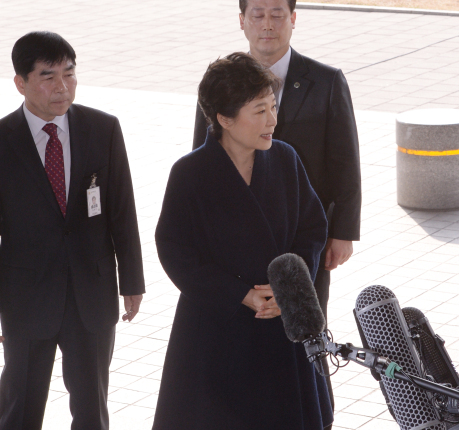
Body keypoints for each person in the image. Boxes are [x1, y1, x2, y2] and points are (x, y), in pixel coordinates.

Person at [0, 31, 145, 430]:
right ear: (21, 82)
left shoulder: (103, 129)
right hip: (26, 298)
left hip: (92, 292)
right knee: (20, 406)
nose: (62, 87)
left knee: (91, 409)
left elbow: (122, 212)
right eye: (48, 76)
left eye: (69, 73)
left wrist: (131, 280)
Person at [192, 0, 362, 410]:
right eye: (257, 15)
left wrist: (342, 232)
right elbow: (202, 155)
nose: (267, 25)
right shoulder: (221, 83)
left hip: (303, 243)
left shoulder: (325, 80)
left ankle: (315, 412)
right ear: (242, 21)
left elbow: (345, 160)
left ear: (293, 19)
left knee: (307, 336)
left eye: (277, 15)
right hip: (236, 246)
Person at [153, 52, 332, 430]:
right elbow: (174, 249)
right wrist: (239, 294)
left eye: (272, 107)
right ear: (224, 119)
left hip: (282, 323)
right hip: (216, 328)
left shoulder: (285, 159)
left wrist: (289, 289)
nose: (272, 121)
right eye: (259, 111)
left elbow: (312, 228)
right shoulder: (189, 174)